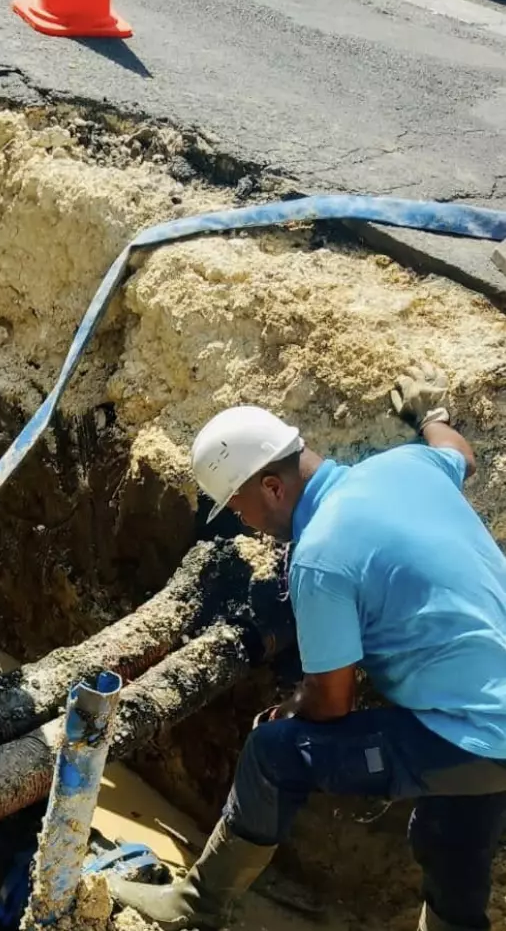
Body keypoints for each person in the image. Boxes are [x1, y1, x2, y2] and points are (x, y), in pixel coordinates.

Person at [108, 366, 506, 931]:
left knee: (272, 752)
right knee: (449, 825)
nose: (243, 523)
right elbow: (458, 454)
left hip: (471, 733)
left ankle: (197, 906)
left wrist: (285, 712)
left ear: (272, 486)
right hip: (493, 721)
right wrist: (430, 416)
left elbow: (332, 703)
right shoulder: (406, 466)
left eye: (239, 505)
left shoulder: (319, 556)